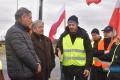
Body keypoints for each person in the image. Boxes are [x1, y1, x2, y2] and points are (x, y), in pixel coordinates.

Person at [5, 7, 41, 80]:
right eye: (30, 18)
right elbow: (24, 53)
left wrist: (38, 62)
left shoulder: (23, 31)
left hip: (26, 74)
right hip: (20, 75)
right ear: (23, 18)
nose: (31, 21)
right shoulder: (14, 31)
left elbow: (31, 51)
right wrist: (35, 67)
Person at [55, 15, 93, 80]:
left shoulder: (84, 35)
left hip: (81, 68)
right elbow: (59, 47)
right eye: (69, 25)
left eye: (73, 25)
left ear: (77, 25)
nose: (71, 27)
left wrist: (87, 67)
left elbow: (89, 52)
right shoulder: (63, 35)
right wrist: (58, 50)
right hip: (67, 67)